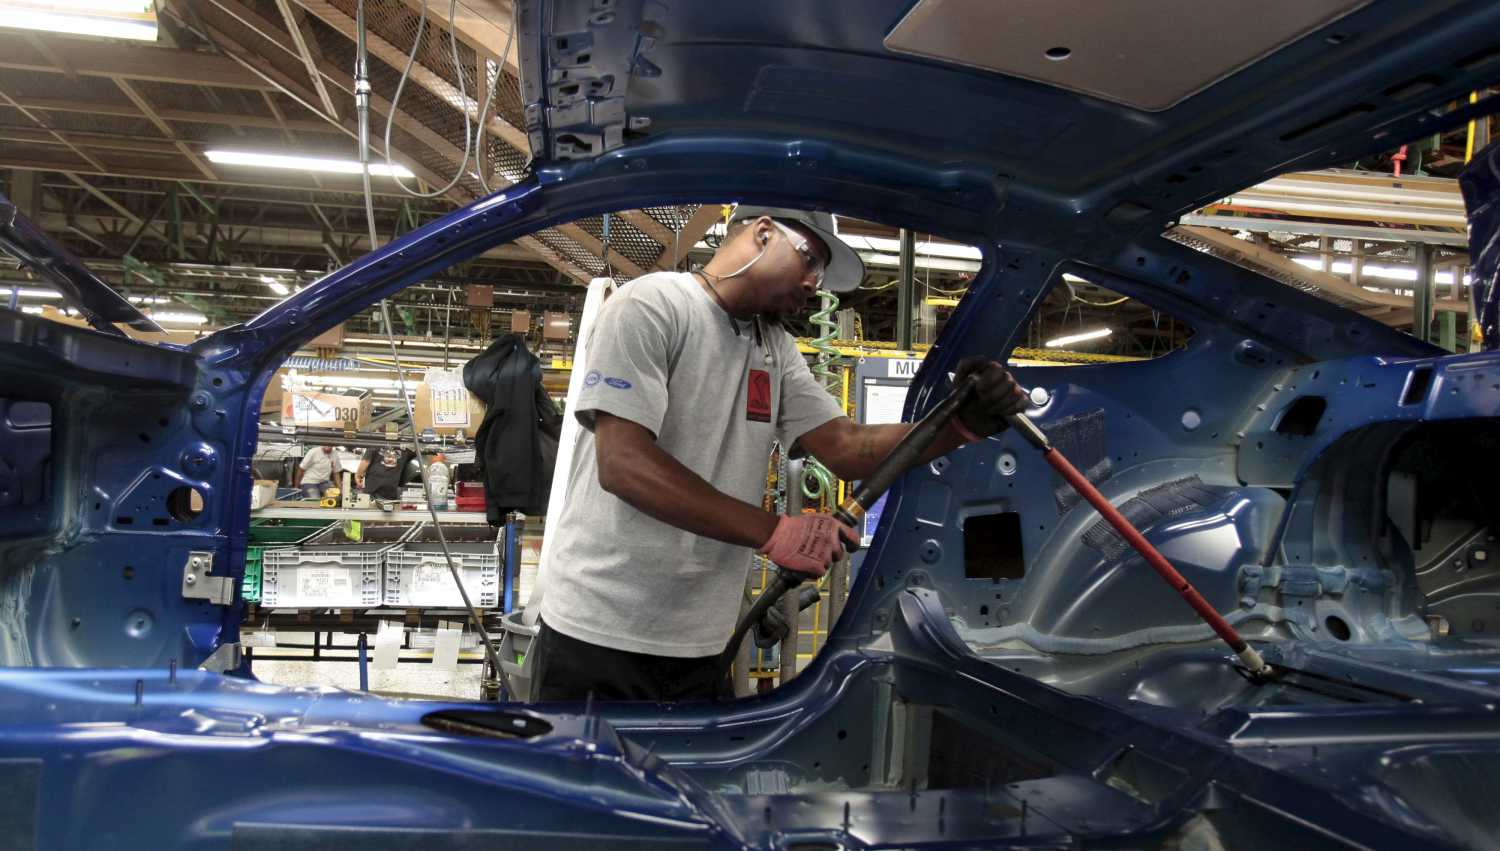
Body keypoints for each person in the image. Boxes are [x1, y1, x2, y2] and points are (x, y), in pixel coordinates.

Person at [532, 206, 1028, 702]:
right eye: (810, 260)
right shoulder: (654, 304)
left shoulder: (774, 349)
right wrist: (775, 531)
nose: (815, 284)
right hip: (597, 634)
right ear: (763, 232)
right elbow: (624, 465)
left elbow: (847, 449)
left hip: (703, 644)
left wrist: (957, 422)